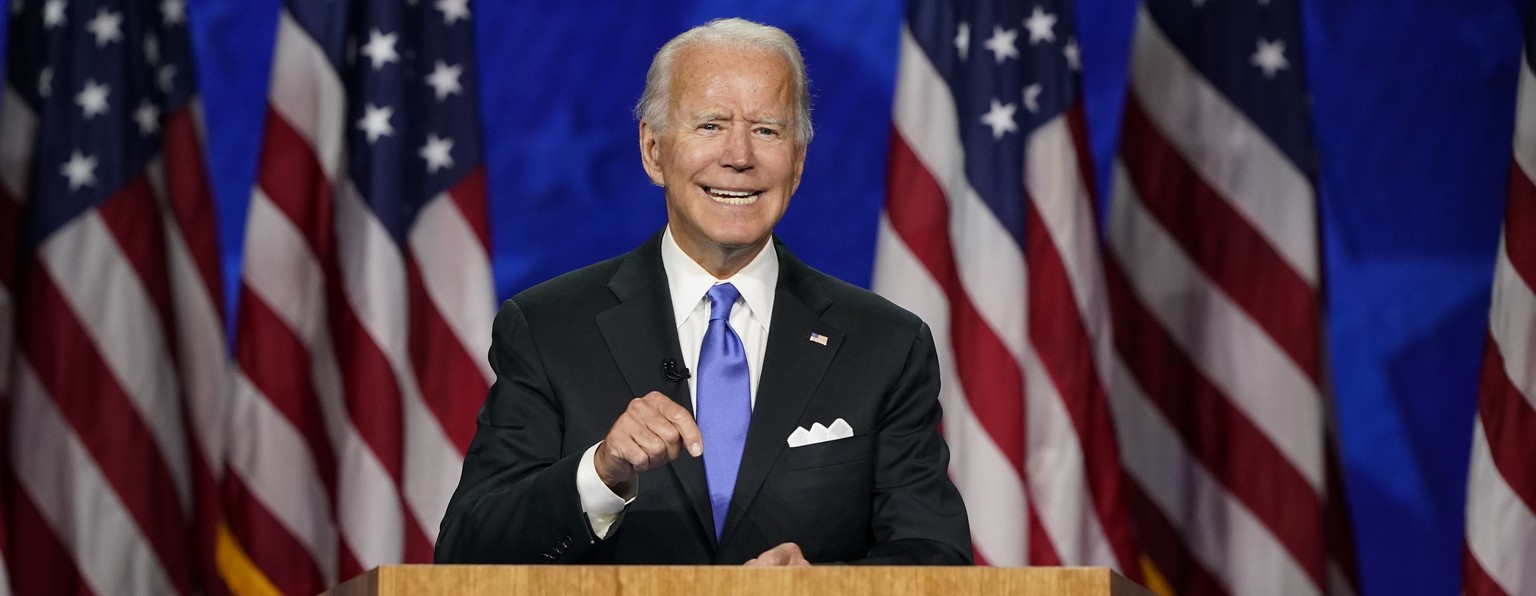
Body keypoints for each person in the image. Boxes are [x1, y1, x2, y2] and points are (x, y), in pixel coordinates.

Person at [435, 17, 971, 566]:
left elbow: (937, 555)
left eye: (767, 130)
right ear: (652, 150)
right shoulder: (549, 329)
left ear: (799, 161)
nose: (739, 155)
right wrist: (601, 472)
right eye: (711, 125)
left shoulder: (885, 343)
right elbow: (466, 551)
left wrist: (821, 588)